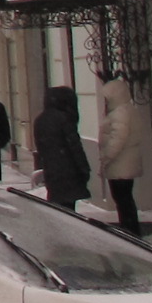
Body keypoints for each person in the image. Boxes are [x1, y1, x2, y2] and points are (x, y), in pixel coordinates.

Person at [98, 76, 148, 235]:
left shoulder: (120, 113)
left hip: (120, 163)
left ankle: (130, 231)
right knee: (124, 199)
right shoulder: (127, 110)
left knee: (123, 199)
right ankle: (130, 229)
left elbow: (118, 138)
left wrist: (106, 157)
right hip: (124, 162)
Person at [34, 83, 92, 211]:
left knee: (59, 208)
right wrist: (84, 169)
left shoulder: (40, 120)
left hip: (52, 172)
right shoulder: (64, 119)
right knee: (69, 208)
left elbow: (41, 147)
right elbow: (75, 146)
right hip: (68, 172)